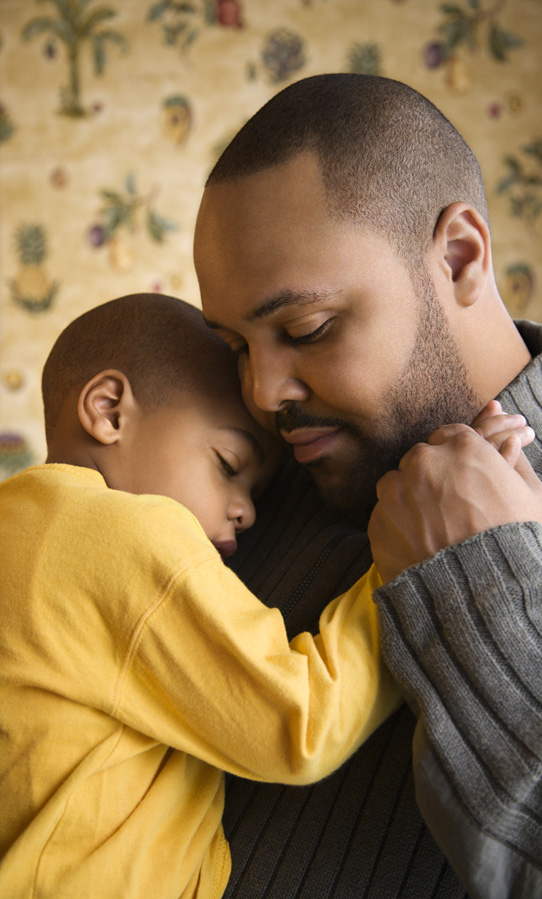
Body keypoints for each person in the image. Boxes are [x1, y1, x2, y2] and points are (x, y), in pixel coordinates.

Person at [193, 74, 542, 899]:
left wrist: (480, 598)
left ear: (460, 258)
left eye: (306, 328)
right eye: (237, 345)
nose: (263, 392)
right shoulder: (248, 501)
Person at [0, 292, 408, 899]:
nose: (245, 511)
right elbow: (300, 724)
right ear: (108, 410)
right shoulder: (126, 534)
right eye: (227, 463)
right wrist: (406, 566)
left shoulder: (21, 525)